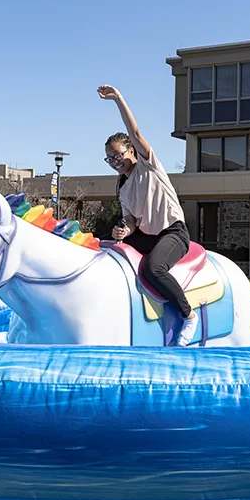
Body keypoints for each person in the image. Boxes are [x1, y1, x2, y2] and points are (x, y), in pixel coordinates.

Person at [98, 84, 198, 347]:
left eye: (118, 154)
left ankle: (188, 316)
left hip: (173, 232)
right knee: (104, 246)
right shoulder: (122, 186)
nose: (115, 161)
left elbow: (135, 131)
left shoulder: (148, 165)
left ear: (132, 150)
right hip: (146, 235)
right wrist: (124, 231)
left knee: (155, 269)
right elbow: (130, 220)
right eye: (109, 158)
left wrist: (118, 98)